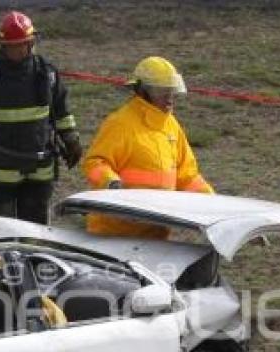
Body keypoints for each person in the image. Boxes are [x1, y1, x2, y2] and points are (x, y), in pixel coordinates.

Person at [0, 10, 82, 225]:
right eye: (12, 46)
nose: (17, 50)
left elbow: (61, 112)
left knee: (35, 234)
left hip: (40, 170)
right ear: (2, 46)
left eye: (21, 44)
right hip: (0, 172)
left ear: (31, 43)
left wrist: (71, 141)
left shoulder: (48, 75)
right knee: (0, 234)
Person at [82, 56, 213, 238]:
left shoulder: (171, 126)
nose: (170, 99)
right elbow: (94, 164)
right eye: (162, 93)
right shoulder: (121, 123)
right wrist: (111, 184)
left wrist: (216, 208)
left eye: (172, 92)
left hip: (156, 232)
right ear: (143, 92)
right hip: (115, 233)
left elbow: (188, 177)